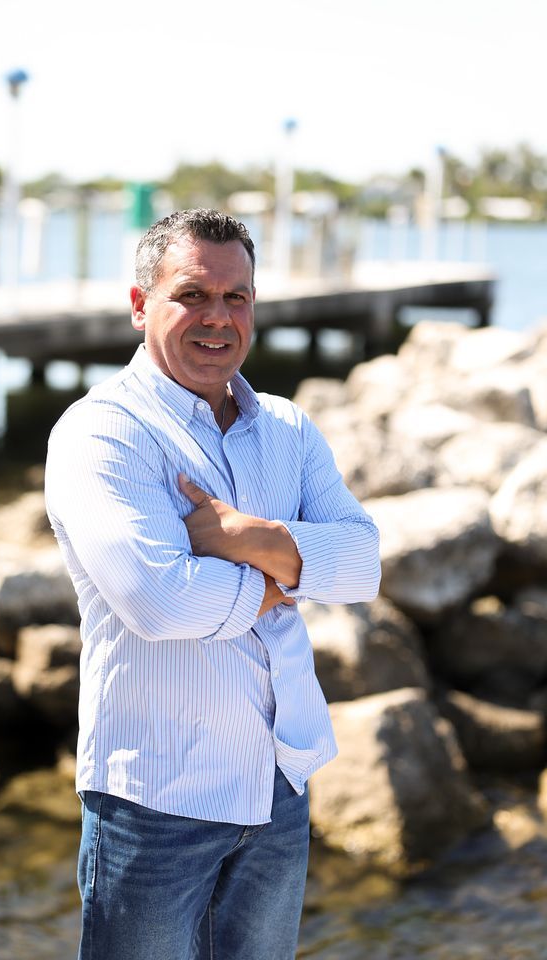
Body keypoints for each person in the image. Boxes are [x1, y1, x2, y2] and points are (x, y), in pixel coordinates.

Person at [45, 208, 380, 960]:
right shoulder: (101, 433)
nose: (218, 319)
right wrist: (283, 578)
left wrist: (242, 538)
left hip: (278, 782)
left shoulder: (288, 427)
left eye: (237, 298)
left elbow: (362, 565)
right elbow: (158, 603)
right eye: (192, 295)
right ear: (140, 307)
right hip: (155, 800)